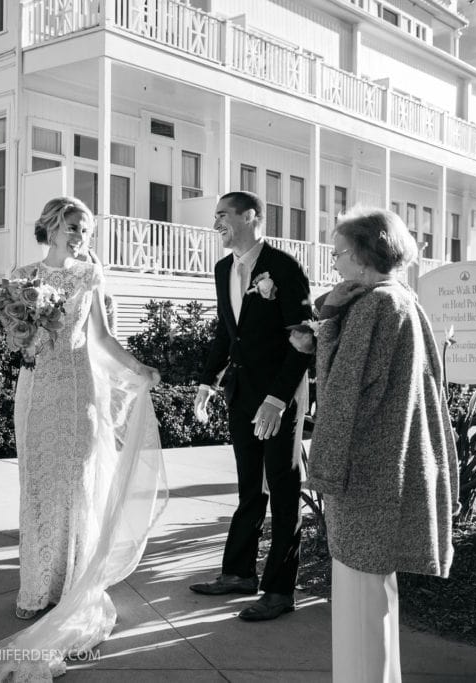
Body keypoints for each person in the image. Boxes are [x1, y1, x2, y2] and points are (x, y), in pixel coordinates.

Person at [0, 196, 167, 680]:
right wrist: (23, 332)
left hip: (77, 390)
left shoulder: (88, 277)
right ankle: (35, 588)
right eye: (73, 227)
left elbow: (101, 337)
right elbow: (14, 338)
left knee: (75, 488)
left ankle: (71, 587)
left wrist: (139, 367)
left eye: (86, 231)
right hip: (34, 388)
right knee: (36, 486)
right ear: (51, 226)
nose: (79, 237)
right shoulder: (22, 275)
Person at [288, 207, 458, 682]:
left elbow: (342, 392)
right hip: (387, 465)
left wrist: (324, 469)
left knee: (360, 601)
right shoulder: (401, 297)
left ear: (364, 254)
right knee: (373, 597)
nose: (335, 263)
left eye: (339, 252)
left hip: (364, 470)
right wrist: (330, 310)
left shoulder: (376, 307)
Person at [189, 191, 312, 621]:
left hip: (280, 397)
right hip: (241, 394)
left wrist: (278, 399)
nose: (216, 223)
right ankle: (239, 574)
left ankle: (280, 591)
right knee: (248, 488)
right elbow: (228, 333)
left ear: (251, 216)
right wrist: (207, 380)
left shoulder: (284, 267)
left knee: (283, 490)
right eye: (215, 217)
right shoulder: (224, 269)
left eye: (223, 215)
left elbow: (304, 340)